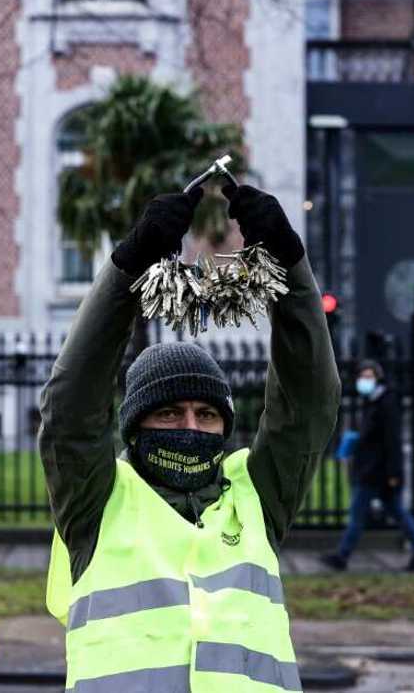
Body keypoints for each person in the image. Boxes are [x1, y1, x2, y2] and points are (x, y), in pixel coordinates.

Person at [38, 184, 340, 692]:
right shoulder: (96, 500)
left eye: (206, 414)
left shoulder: (256, 498)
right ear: (135, 428)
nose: (190, 427)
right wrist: (127, 269)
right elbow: (71, 407)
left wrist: (291, 267)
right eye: (169, 413)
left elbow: (309, 401)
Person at [319, 360, 414, 572]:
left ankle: (341, 556)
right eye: (363, 376)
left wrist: (394, 474)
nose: (364, 381)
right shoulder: (374, 402)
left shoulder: (385, 404)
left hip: (375, 473)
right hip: (373, 471)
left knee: (358, 516)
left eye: (369, 376)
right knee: (396, 512)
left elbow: (392, 441)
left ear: (378, 378)